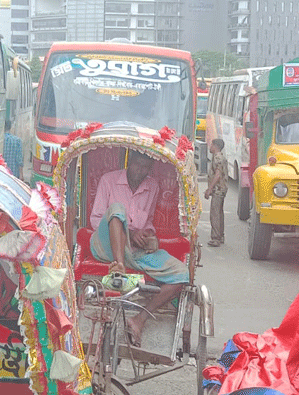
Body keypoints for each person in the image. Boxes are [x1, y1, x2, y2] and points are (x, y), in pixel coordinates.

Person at [88, 150, 189, 347]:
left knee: (182, 274)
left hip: (134, 251)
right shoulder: (109, 180)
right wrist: (129, 232)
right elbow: (95, 220)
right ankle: (119, 267)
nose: (140, 171)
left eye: (145, 167)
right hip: (106, 246)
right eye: (137, 165)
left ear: (150, 169)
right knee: (117, 209)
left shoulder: (152, 186)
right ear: (129, 162)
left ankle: (139, 319)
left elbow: (148, 221)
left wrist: (147, 236)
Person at [203, 139, 227, 247]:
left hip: (218, 189)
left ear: (216, 146)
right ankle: (220, 235)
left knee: (215, 213)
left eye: (211, 145)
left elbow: (217, 175)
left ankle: (216, 238)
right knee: (219, 212)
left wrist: (209, 189)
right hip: (221, 189)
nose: (210, 147)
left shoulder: (217, 158)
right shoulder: (219, 157)